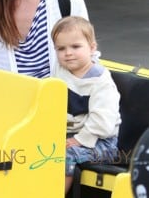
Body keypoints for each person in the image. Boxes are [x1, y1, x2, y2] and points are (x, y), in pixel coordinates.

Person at [51, 16, 121, 195]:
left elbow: (102, 123)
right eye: (61, 48)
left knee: (65, 155)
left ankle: (55, 193)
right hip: (71, 135)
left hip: (102, 145)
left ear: (92, 48)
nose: (68, 53)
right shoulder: (61, 71)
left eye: (75, 46)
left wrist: (78, 140)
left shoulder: (100, 81)